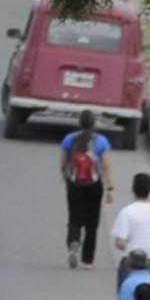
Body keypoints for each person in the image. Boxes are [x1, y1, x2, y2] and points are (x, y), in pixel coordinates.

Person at [59, 111, 112, 269]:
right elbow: (106, 166)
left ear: (79, 123)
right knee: (92, 223)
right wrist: (110, 188)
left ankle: (74, 242)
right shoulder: (101, 141)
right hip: (94, 185)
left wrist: (66, 176)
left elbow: (63, 162)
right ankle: (88, 261)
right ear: (94, 124)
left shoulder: (69, 139)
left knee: (74, 217)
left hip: (75, 184)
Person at [110, 172, 150, 262]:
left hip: (131, 261)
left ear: (133, 188)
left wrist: (131, 248)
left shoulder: (127, 212)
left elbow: (119, 243)